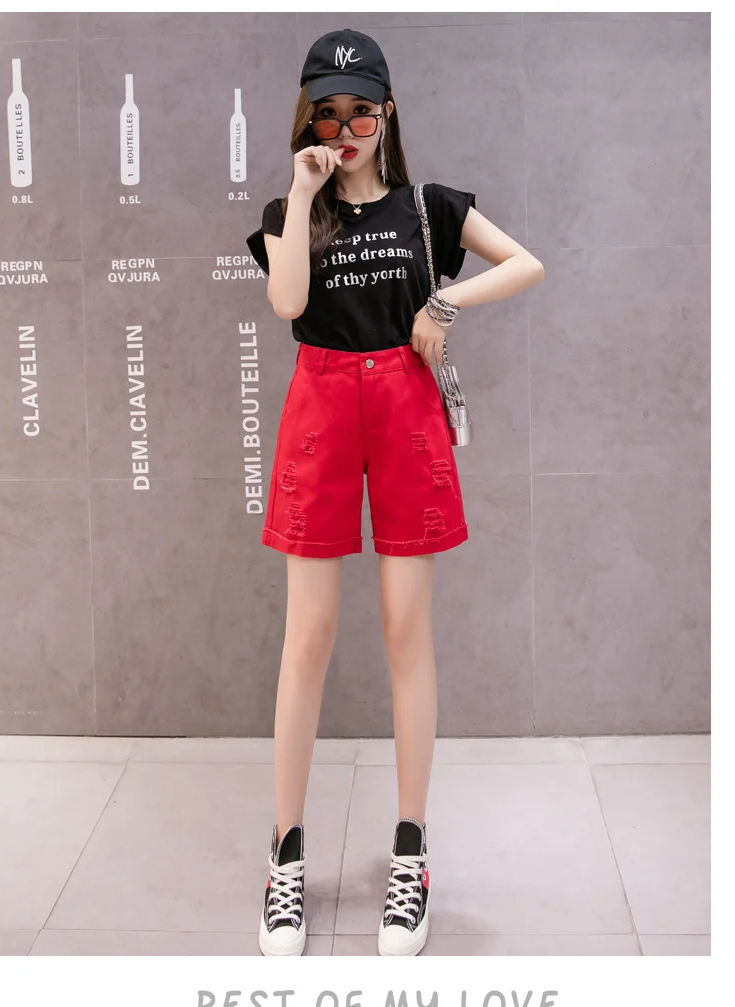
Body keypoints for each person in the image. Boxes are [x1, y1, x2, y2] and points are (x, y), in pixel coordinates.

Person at [246, 27, 544, 957]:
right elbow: (288, 304)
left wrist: (447, 302)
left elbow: (525, 262)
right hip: (322, 404)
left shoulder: (428, 208)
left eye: (360, 112)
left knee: (407, 630)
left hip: (405, 407)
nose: (344, 130)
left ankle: (411, 852)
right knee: (307, 637)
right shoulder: (288, 210)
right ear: (308, 118)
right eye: (327, 114)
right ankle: (284, 854)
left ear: (388, 112)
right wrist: (303, 191)